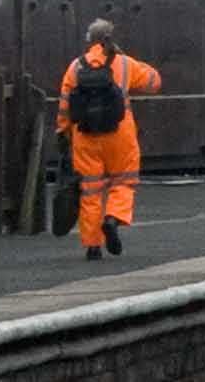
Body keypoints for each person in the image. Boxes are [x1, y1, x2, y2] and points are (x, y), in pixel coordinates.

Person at [59, 19, 161, 261]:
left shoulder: (75, 67)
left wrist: (63, 132)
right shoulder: (124, 64)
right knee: (123, 182)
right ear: (110, 39)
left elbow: (65, 104)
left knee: (90, 192)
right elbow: (154, 82)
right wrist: (129, 59)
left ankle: (93, 246)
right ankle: (113, 218)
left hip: (85, 136)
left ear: (89, 40)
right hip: (119, 135)